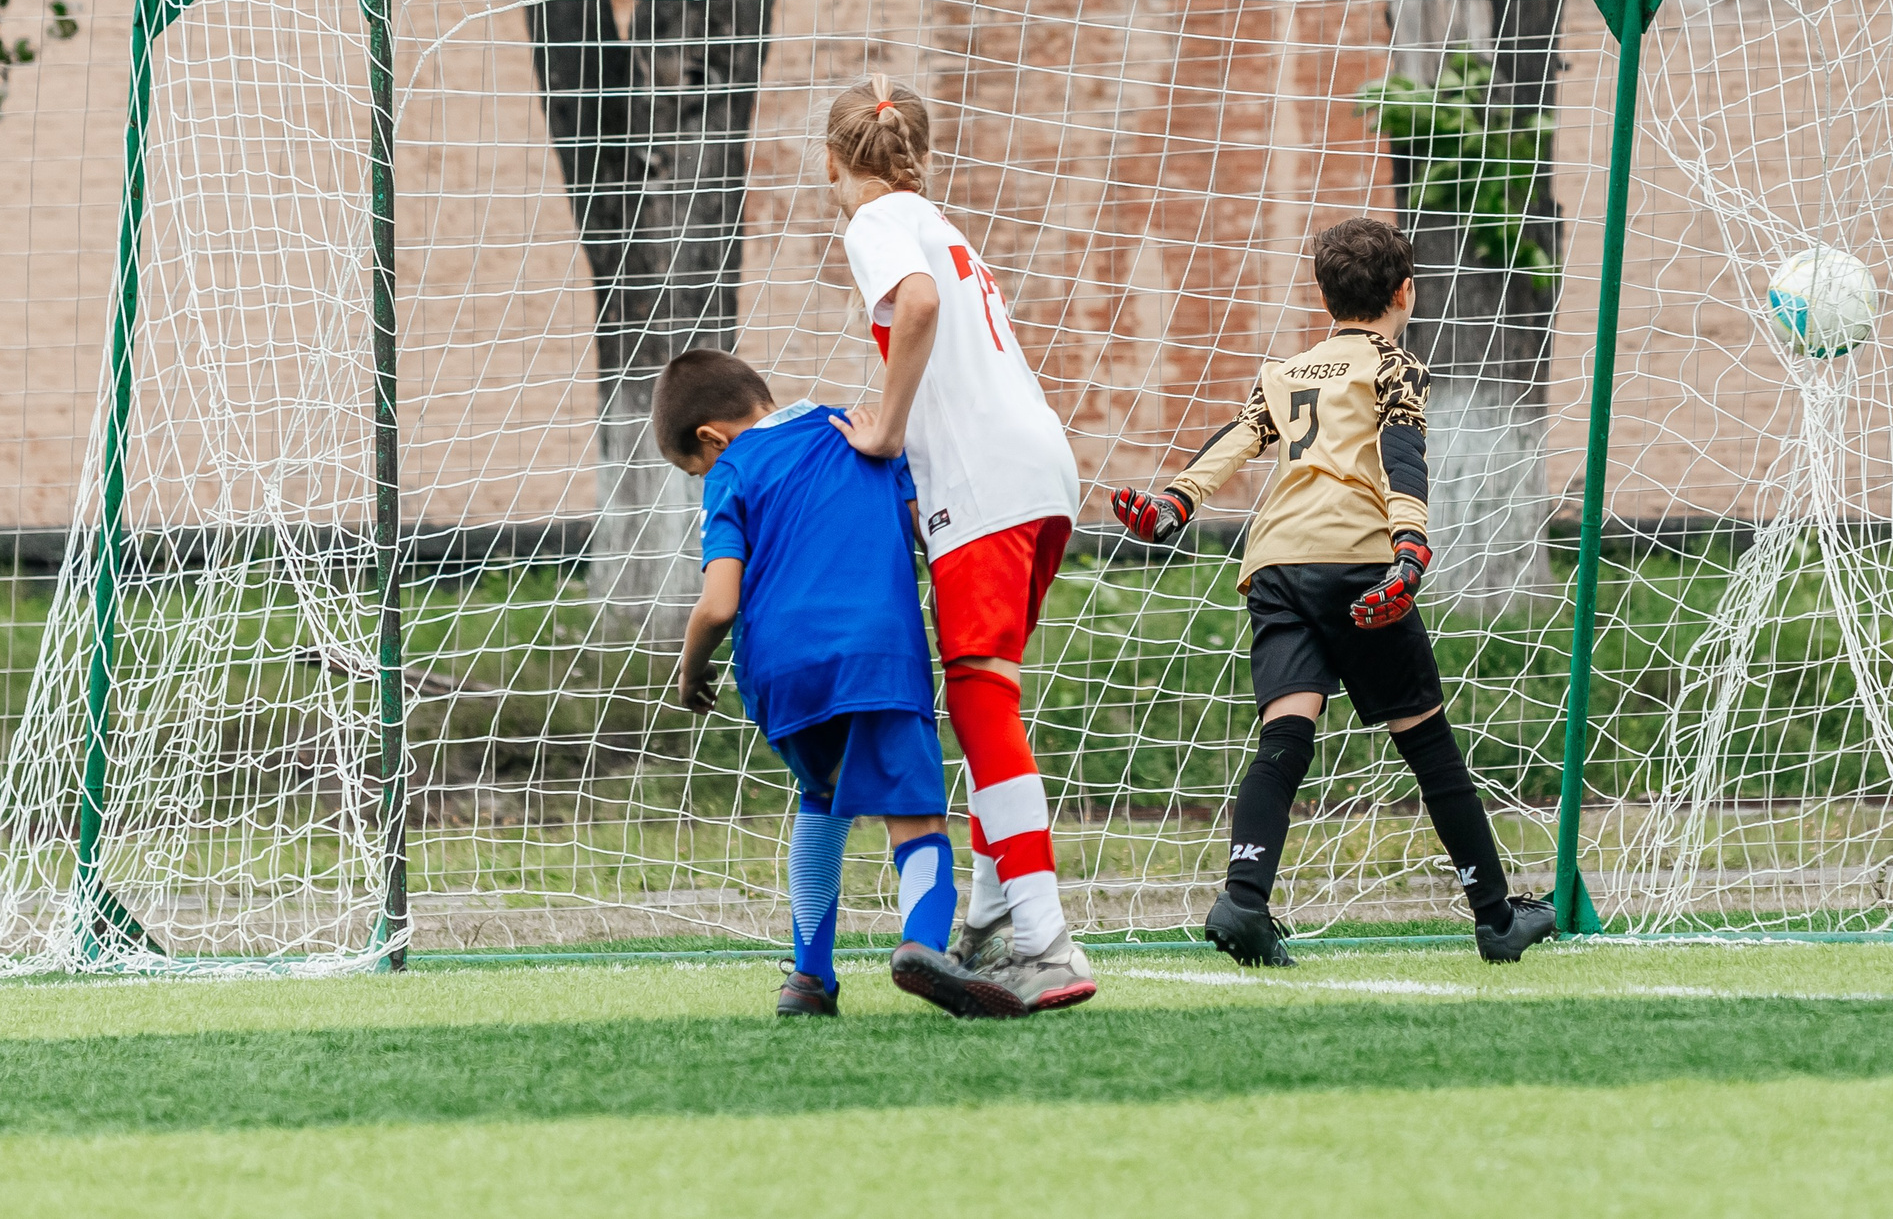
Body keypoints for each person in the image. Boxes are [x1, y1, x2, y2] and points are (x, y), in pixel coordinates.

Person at [1108, 217, 1557, 966]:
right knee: (1430, 749)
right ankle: (1495, 916)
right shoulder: (1393, 365)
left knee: (1285, 738)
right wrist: (1409, 545)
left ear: (1324, 295)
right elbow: (1401, 451)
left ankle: (1244, 901)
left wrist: (1173, 503)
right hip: (1354, 561)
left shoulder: (1288, 371)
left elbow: (1239, 436)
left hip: (1277, 565)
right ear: (1406, 291)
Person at [819, 77, 1094, 1013]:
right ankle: (984, 927)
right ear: (917, 153)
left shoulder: (875, 223)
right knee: (991, 699)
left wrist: (888, 430)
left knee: (979, 701)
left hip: (983, 486)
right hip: (1042, 471)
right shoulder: (943, 220)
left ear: (833, 164)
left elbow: (921, 306)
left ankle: (1048, 940)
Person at [656, 348, 1019, 1020]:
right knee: (915, 819)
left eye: (694, 468)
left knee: (820, 798)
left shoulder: (731, 469)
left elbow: (717, 604)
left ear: (711, 437)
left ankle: (809, 979)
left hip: (779, 671)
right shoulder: (864, 431)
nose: (703, 472)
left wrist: (690, 670)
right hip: (876, 655)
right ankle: (921, 946)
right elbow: (926, 531)